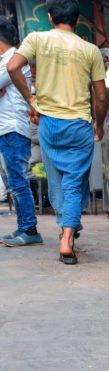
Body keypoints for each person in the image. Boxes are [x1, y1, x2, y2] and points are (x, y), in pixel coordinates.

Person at [8, 0, 107, 264]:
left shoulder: (37, 39)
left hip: (49, 124)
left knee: (58, 183)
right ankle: (67, 237)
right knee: (76, 183)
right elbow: (100, 97)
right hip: (79, 125)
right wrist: (99, 126)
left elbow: (13, 67)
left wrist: (30, 98)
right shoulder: (90, 51)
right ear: (77, 19)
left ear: (50, 17)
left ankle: (69, 226)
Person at [0, 16, 42, 247]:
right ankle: (22, 226)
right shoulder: (5, 60)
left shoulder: (13, 60)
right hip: (6, 128)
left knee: (18, 181)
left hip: (14, 128)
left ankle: (30, 229)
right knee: (12, 180)